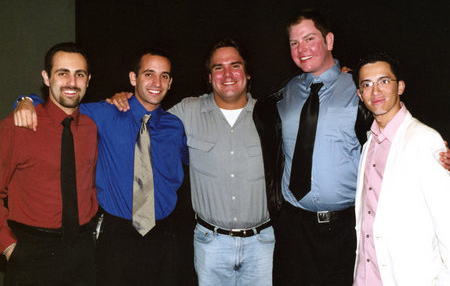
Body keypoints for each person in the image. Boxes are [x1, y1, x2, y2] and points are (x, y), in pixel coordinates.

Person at [253, 9, 450, 286]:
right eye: (294, 43)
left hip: (346, 230)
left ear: (329, 40)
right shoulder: (281, 96)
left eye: (310, 39)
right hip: (294, 228)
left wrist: (437, 150)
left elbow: (398, 125)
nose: (302, 49)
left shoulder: (360, 90)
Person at [13, 49, 189, 285]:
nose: (157, 82)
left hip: (165, 235)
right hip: (117, 236)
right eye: (149, 74)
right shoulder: (104, 113)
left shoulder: (175, 126)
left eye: (164, 76)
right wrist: (25, 102)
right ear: (133, 78)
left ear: (170, 82)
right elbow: (58, 106)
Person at [108, 38, 274, 286]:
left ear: (248, 74)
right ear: (209, 77)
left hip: (261, 244)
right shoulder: (187, 111)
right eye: (218, 67)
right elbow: (147, 116)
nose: (227, 74)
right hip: (210, 244)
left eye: (235, 66)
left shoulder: (271, 115)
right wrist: (123, 99)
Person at [0, 42, 98, 285]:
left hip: (83, 252)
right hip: (31, 253)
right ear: (46, 77)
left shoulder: (91, 127)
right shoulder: (18, 126)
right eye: (62, 73)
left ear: (88, 80)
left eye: (79, 75)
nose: (71, 83)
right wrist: (8, 245)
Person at [352, 52, 450, 285]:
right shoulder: (368, 145)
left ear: (400, 87)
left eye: (384, 81)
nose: (375, 91)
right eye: (367, 84)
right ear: (360, 94)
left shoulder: (424, 139)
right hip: (368, 276)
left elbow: (447, 224)